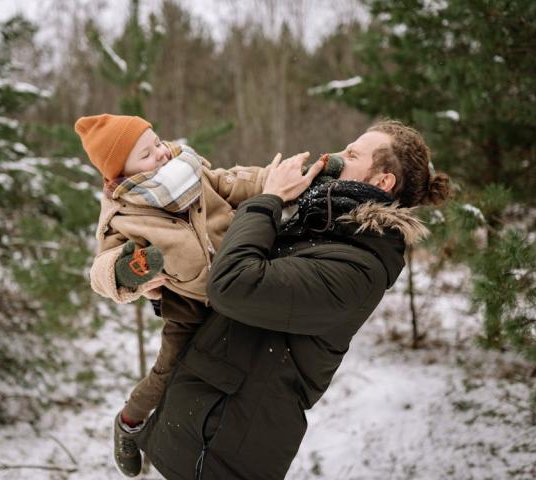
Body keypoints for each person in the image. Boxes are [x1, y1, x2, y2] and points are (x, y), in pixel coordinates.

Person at [136, 120, 452, 479]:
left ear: (381, 182)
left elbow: (233, 286)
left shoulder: (359, 268)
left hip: (221, 453)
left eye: (351, 155)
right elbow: (236, 315)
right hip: (190, 430)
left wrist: (266, 199)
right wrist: (167, 298)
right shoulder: (317, 227)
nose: (332, 157)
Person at [74, 113, 343, 477]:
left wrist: (294, 177)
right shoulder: (123, 214)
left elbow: (236, 183)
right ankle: (130, 423)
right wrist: (127, 272)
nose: (160, 154)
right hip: (189, 303)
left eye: (156, 142)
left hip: (243, 274)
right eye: (145, 154)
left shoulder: (190, 170)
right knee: (168, 372)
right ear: (121, 171)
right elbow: (100, 272)